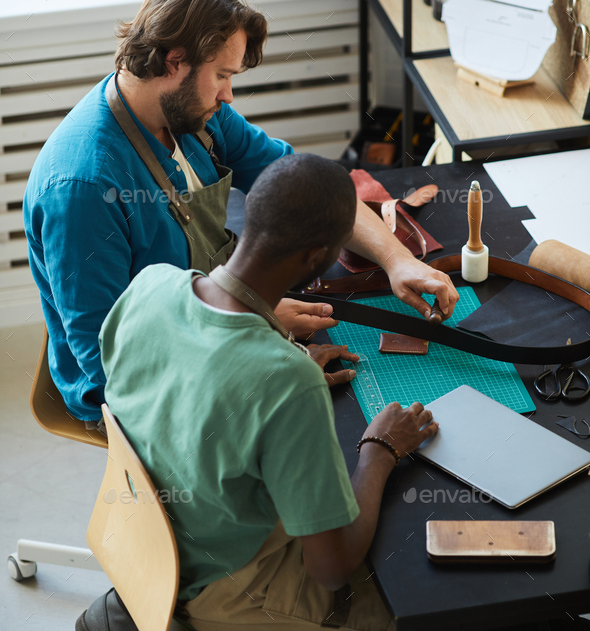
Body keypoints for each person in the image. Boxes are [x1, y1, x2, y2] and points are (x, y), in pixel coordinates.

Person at [24, 0, 458, 429]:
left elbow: (309, 189)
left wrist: (397, 259)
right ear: (174, 61)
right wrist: (253, 332)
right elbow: (113, 368)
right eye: (223, 76)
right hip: (143, 401)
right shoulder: (83, 190)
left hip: (214, 319)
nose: (228, 95)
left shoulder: (192, 115)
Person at [78, 154, 439, 631]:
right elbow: (331, 569)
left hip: (144, 543)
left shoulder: (150, 286)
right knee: (419, 598)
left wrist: (267, 371)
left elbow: (166, 388)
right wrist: (380, 451)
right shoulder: (289, 384)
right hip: (223, 593)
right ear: (318, 258)